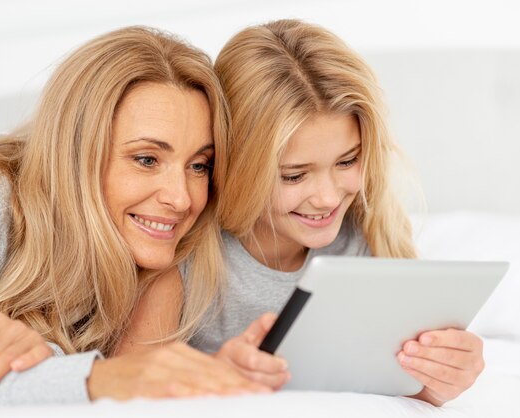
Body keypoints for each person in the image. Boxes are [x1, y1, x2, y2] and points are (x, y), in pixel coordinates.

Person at [0, 26, 270, 409]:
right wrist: (93, 378)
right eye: (146, 159)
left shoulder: (146, 253)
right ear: (76, 157)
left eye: (199, 165)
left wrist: (204, 377)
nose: (181, 199)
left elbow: (122, 388)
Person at [196, 19, 485, 407]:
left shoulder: (364, 239)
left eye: (348, 161)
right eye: (294, 175)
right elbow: (134, 379)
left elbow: (393, 380)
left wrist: (438, 379)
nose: (329, 199)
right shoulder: (191, 256)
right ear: (235, 166)